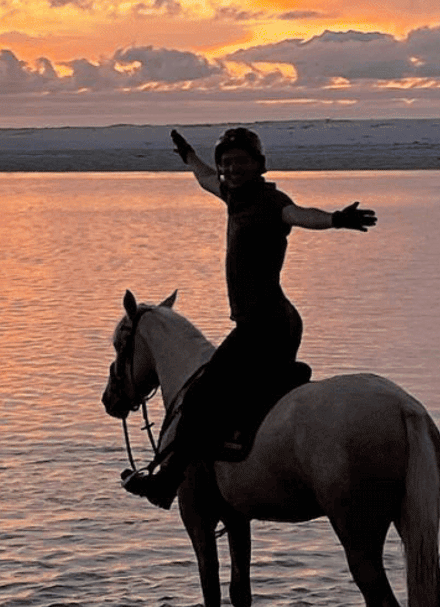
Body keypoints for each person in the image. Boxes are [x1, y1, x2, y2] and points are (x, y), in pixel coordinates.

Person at [122, 126, 377, 509]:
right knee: (246, 388)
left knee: (199, 397)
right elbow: (206, 179)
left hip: (264, 325)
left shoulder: (271, 201)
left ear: (259, 165)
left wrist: (336, 220)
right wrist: (190, 157)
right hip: (275, 321)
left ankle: (167, 483)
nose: (230, 169)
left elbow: (299, 214)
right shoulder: (232, 195)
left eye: (240, 162)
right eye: (227, 163)